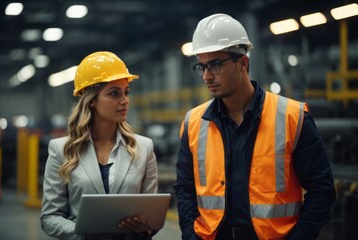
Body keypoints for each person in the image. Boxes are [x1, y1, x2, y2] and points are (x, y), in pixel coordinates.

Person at [174, 13, 336, 240]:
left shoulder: (292, 117)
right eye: (201, 67)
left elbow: (322, 191)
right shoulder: (193, 123)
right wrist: (191, 236)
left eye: (215, 65)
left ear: (243, 63)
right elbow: (184, 189)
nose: (207, 76)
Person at [41, 51, 159, 240]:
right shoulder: (61, 150)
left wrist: (143, 226)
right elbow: (49, 217)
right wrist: (84, 235)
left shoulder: (144, 148)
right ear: (92, 100)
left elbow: (152, 217)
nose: (125, 100)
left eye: (126, 92)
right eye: (114, 93)